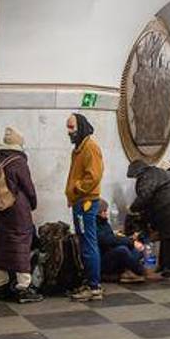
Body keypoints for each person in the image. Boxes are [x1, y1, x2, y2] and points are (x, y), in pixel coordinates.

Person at [0, 127, 42, 303]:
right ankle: (23, 288)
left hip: (2, 208)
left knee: (2, 244)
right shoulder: (18, 161)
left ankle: (0, 284)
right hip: (18, 210)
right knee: (21, 244)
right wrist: (33, 203)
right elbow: (28, 188)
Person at [65, 113, 105, 302]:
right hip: (80, 202)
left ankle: (94, 287)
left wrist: (76, 189)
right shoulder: (80, 148)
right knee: (85, 242)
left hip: (86, 203)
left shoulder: (90, 147)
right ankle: (90, 282)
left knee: (88, 243)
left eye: (71, 127)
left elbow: (94, 176)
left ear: (80, 126)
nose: (69, 131)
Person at [97, 199, 159, 283]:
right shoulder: (96, 224)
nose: (106, 213)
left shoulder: (103, 223)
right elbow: (107, 240)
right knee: (123, 250)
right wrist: (130, 242)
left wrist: (129, 240)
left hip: (109, 250)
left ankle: (130, 271)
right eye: (104, 211)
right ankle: (143, 272)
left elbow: (111, 238)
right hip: (103, 258)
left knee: (139, 248)